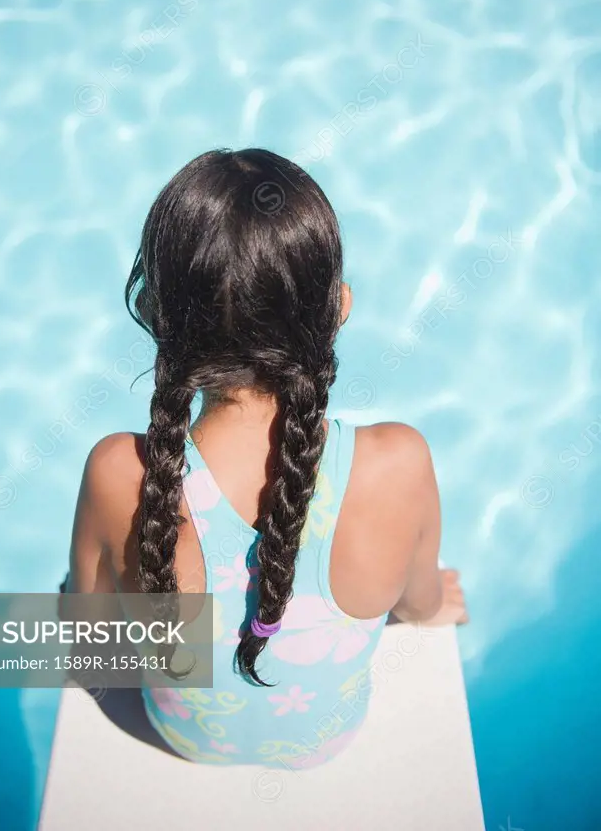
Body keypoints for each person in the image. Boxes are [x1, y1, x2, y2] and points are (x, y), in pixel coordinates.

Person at [65, 147, 467, 768]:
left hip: (182, 741)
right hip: (325, 744)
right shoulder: (397, 463)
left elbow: (90, 642)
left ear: (154, 315)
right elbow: (417, 605)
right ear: (338, 308)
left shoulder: (120, 473)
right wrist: (435, 600)